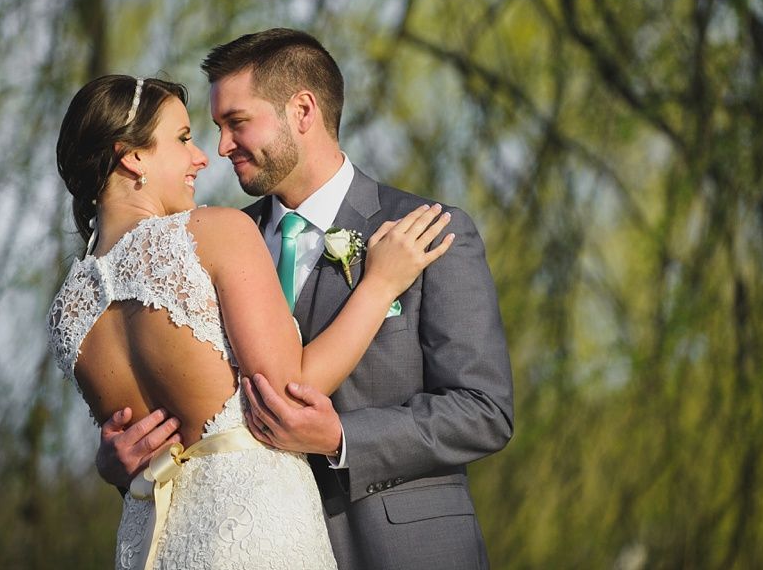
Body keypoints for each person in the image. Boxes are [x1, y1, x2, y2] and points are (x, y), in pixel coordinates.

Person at [97, 28, 514, 570]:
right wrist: (122, 463)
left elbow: (484, 411)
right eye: (217, 127)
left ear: (302, 110)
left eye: (236, 123)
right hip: (250, 546)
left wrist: (342, 437)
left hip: (403, 550)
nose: (221, 147)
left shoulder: (426, 231)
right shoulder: (206, 248)